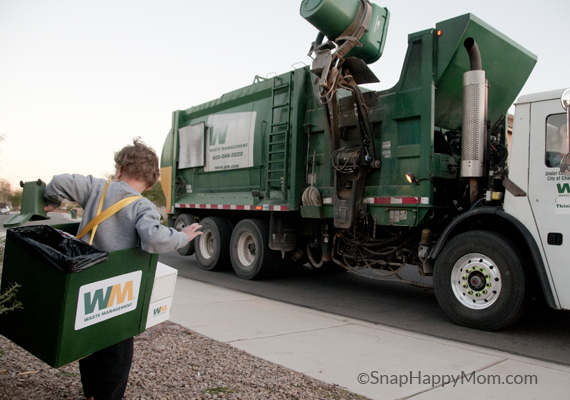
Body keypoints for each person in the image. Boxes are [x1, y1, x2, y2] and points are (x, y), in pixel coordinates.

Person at [43, 137, 202, 400]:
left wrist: (53, 200)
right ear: (149, 184)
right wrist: (183, 236)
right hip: (119, 289)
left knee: (90, 338)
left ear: (119, 170)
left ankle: (91, 393)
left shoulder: (96, 188)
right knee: (118, 349)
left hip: (86, 281)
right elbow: (153, 239)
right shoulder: (143, 206)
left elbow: (59, 181)